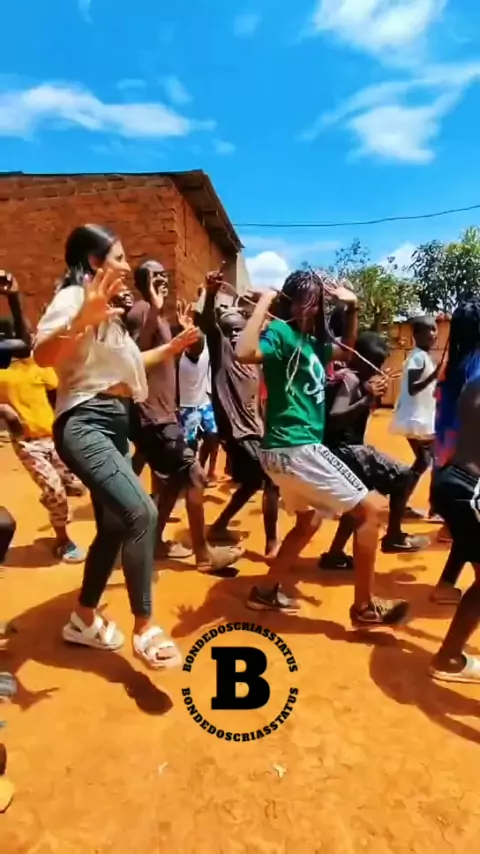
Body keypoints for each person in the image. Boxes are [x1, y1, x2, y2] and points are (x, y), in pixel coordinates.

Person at [33, 224, 197, 669]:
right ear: (93, 261)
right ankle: (145, 627)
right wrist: (82, 318)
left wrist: (172, 347)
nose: (126, 266)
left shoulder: (106, 312)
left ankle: (83, 618)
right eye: (119, 257)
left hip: (114, 423)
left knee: (114, 527)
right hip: (84, 420)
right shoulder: (74, 298)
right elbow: (42, 354)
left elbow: (128, 367)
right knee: (141, 512)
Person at [236, 269, 409, 626]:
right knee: (370, 511)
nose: (311, 308)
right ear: (288, 302)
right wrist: (265, 303)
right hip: (294, 447)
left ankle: (265, 591)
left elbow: (347, 349)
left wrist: (353, 307)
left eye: (316, 302)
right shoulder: (281, 334)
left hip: (288, 451)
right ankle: (364, 607)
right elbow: (244, 351)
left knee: (309, 521)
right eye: (304, 300)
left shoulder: (312, 343)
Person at [126, 260, 242, 572]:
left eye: (163, 274)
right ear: (143, 282)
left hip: (165, 413)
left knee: (174, 483)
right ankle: (203, 555)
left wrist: (206, 299)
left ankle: (154, 543)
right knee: (194, 475)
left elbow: (190, 342)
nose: (162, 279)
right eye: (155, 276)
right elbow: (134, 356)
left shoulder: (158, 317)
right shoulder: (141, 310)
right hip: (152, 416)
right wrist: (153, 307)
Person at [319, 331, 429, 568]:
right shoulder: (350, 380)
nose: (377, 369)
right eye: (373, 363)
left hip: (343, 449)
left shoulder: (353, 378)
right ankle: (394, 536)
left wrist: (370, 396)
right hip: (343, 449)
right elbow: (335, 417)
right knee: (403, 475)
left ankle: (335, 554)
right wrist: (367, 400)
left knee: (360, 499)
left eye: (379, 364)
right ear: (358, 358)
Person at [199, 273, 280, 558]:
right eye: (229, 330)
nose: (234, 335)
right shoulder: (222, 351)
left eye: (238, 330)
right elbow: (208, 324)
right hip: (237, 431)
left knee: (253, 482)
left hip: (254, 430)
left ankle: (219, 526)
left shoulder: (252, 356)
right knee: (273, 480)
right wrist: (210, 294)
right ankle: (272, 543)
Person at [0, 308, 85, 562]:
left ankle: (52, 496)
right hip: (28, 444)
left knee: (75, 487)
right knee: (56, 492)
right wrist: (3, 410)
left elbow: (56, 393)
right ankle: (63, 541)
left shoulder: (36, 367)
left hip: (54, 437)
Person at [430, 298, 480, 683]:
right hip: (468, 474)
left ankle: (446, 585)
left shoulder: (454, 363)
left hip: (448, 461)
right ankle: (449, 656)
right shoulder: (476, 364)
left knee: (468, 538)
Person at [391, 316, 440, 515]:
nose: (433, 334)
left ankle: (403, 502)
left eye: (435, 329)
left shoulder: (423, 357)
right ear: (417, 335)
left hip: (419, 418)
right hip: (415, 419)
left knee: (425, 461)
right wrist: (434, 375)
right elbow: (413, 388)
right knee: (428, 461)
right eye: (429, 330)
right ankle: (403, 502)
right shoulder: (418, 357)